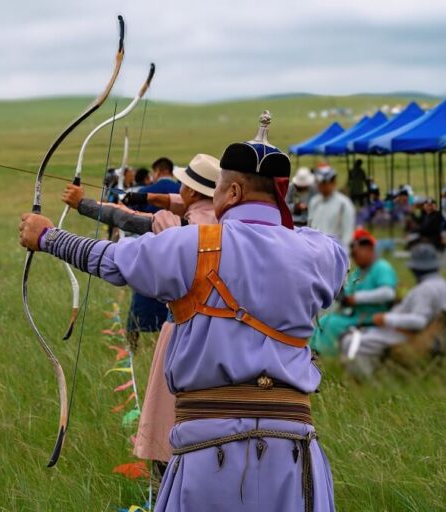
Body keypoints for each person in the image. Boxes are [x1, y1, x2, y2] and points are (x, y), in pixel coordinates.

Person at [20, 113, 347, 511]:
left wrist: (47, 236)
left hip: (210, 453)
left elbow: (110, 259)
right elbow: (328, 268)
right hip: (293, 453)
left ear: (233, 192)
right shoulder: (321, 251)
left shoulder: (195, 245)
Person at [61, 155, 220, 350]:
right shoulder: (226, 214)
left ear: (193, 192)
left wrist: (82, 204)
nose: (180, 189)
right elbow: (185, 201)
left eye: (184, 185)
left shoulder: (184, 226)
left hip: (188, 317)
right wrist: (146, 197)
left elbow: (127, 218)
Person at [340, 243, 446, 379]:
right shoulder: (441, 285)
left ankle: (364, 382)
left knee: (353, 341)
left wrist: (385, 319)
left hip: (413, 336)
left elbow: (419, 321)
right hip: (431, 338)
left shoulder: (424, 290)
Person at [310, 229, 398, 356]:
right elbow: (349, 294)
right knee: (324, 321)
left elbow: (388, 293)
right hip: (355, 313)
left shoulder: (381, 267)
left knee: (334, 324)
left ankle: (330, 357)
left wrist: (357, 299)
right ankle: (315, 351)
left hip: (372, 316)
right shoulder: (359, 272)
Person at [308, 166, 356, 249]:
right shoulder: (314, 202)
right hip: (315, 249)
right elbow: (310, 226)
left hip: (336, 250)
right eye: (319, 182)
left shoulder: (343, 203)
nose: (321, 185)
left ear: (333, 182)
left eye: (324, 182)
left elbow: (347, 234)